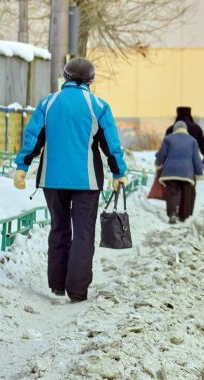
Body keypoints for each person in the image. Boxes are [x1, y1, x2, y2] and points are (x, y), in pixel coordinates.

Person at [13, 58, 129, 303]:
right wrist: (119, 172)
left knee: (59, 227)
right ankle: (77, 291)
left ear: (64, 77)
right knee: (83, 232)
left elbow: (33, 137)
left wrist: (22, 167)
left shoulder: (48, 102)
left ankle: (57, 284)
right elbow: (111, 143)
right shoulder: (98, 105)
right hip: (86, 181)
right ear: (90, 80)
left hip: (52, 180)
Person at [164, 106, 204, 219]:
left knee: (173, 188)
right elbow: (203, 145)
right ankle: (186, 214)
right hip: (190, 164)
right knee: (189, 188)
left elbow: (164, 148)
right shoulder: (196, 128)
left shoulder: (170, 129)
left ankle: (173, 211)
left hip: (172, 165)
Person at [155, 121, 204, 224]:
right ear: (185, 129)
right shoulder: (192, 141)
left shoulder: (168, 138)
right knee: (187, 192)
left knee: (172, 192)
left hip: (170, 171)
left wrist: (158, 163)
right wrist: (199, 173)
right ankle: (183, 216)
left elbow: (162, 154)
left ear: (175, 129)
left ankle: (172, 213)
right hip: (186, 172)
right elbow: (196, 159)